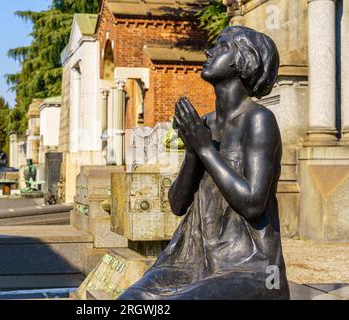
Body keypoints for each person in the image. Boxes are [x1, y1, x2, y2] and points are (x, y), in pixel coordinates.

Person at [118, 26, 289, 300]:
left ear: (244, 61)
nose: (209, 51)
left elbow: (254, 203)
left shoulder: (258, 120)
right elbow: (177, 205)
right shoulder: (206, 123)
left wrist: (204, 148)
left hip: (252, 267)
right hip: (194, 260)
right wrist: (192, 151)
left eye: (222, 46)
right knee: (131, 300)